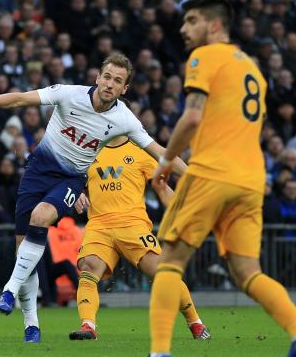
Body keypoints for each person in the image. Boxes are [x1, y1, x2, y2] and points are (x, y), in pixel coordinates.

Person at [136, 0, 296, 357]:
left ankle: (159, 355)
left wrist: (166, 160)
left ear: (214, 25)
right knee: (247, 272)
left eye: (191, 20)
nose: (184, 29)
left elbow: (191, 118)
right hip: (252, 180)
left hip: (211, 172)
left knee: (169, 262)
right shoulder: (252, 68)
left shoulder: (205, 56)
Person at [0, 52, 187, 343]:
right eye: (107, 76)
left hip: (71, 180)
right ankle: (31, 325)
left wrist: (195, 177)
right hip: (37, 172)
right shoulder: (68, 95)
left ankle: (8, 290)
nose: (110, 84)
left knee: (40, 217)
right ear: (97, 77)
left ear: (124, 90)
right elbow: (20, 98)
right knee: (23, 252)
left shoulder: (124, 119)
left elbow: (161, 153)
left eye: (117, 81)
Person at [69, 135, 210, 341]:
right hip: (99, 225)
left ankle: (195, 322)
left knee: (163, 273)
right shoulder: (88, 149)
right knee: (88, 268)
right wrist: (75, 193)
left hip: (133, 225)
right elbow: (69, 182)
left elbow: (161, 187)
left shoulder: (142, 151)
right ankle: (88, 326)